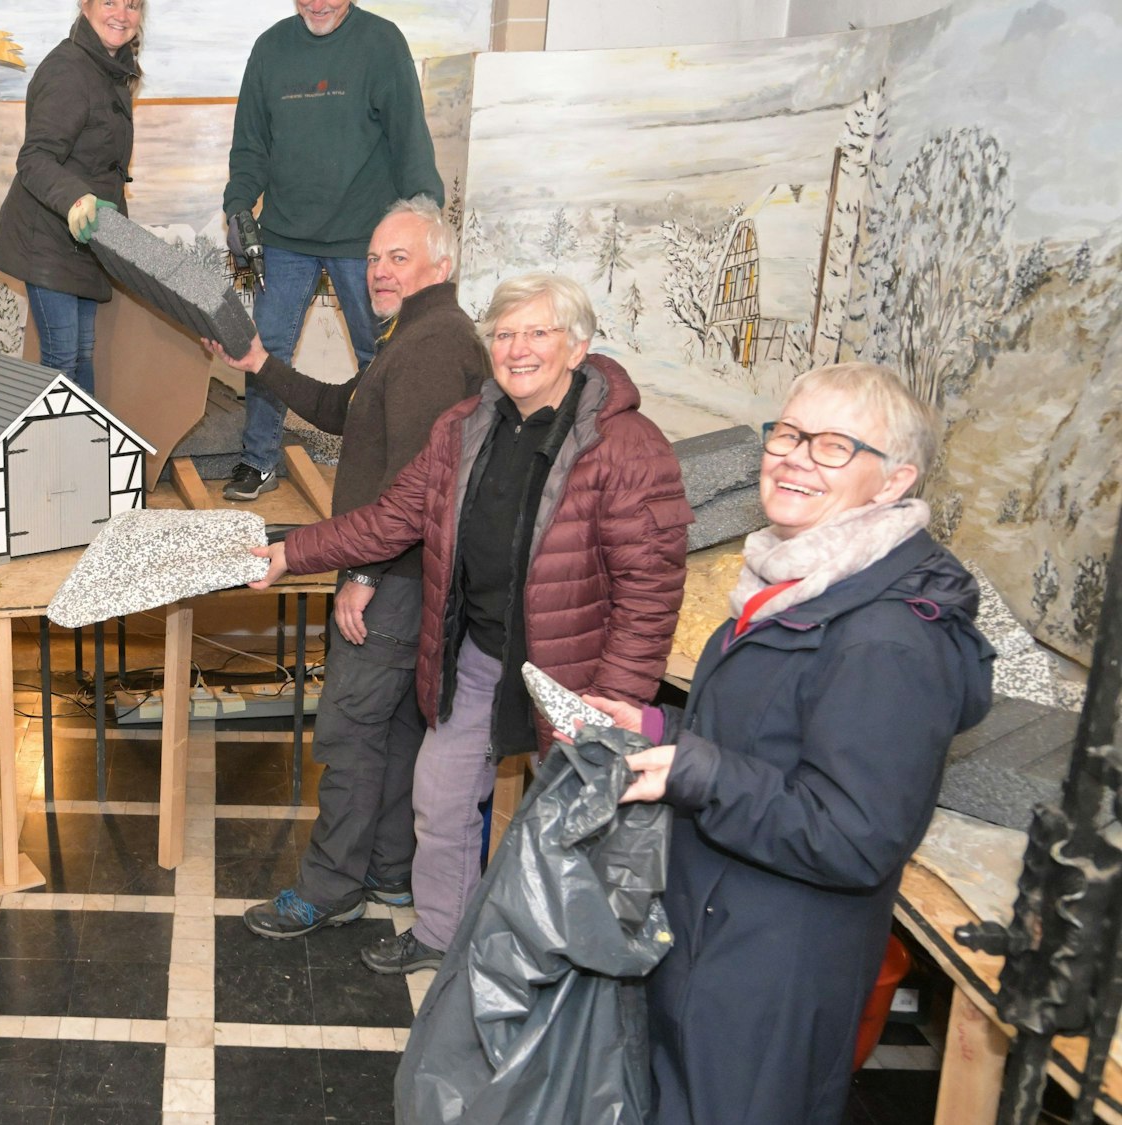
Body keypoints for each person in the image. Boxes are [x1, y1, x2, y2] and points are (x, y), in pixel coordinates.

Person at [579, 364, 993, 1125]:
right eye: (791, 433)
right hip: (716, 929)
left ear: (892, 481)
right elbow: (764, 741)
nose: (797, 456)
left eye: (835, 446)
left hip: (769, 974)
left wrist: (696, 771)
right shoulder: (804, 579)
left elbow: (854, 835)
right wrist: (658, 731)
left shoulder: (890, 637)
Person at [248, 273, 691, 974]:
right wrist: (289, 553)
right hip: (481, 653)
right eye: (505, 333)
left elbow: (650, 589)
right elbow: (392, 519)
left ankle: (567, 973)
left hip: (578, 674)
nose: (517, 349)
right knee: (440, 796)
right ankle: (440, 934)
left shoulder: (628, 445)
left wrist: (615, 699)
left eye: (536, 333)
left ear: (576, 346)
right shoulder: (466, 427)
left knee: (569, 831)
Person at [206, 197, 489, 939]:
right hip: (404, 575)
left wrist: (360, 572)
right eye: (373, 258)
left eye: (399, 257)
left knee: (351, 732)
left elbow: (408, 490)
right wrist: (263, 366)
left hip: (388, 578)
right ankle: (388, 873)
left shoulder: (431, 347)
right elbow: (345, 408)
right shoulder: (419, 336)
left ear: (442, 264)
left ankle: (329, 888)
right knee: (393, 732)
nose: (379, 271)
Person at [220, 0, 441, 502]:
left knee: (381, 353)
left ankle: (388, 463)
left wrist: (423, 218)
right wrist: (238, 209)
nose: (317, 4)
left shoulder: (382, 43)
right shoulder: (271, 48)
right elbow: (250, 146)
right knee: (265, 349)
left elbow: (410, 140)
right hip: (285, 236)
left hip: (364, 238)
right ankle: (258, 460)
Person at [0, 0, 144, 395]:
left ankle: (84, 449)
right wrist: (76, 199)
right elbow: (35, 158)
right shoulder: (68, 69)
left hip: (85, 238)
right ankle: (58, 453)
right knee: (61, 358)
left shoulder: (110, 70)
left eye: (134, 5)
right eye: (110, 2)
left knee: (82, 352)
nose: (122, 15)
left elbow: (102, 167)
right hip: (50, 236)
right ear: (85, 5)